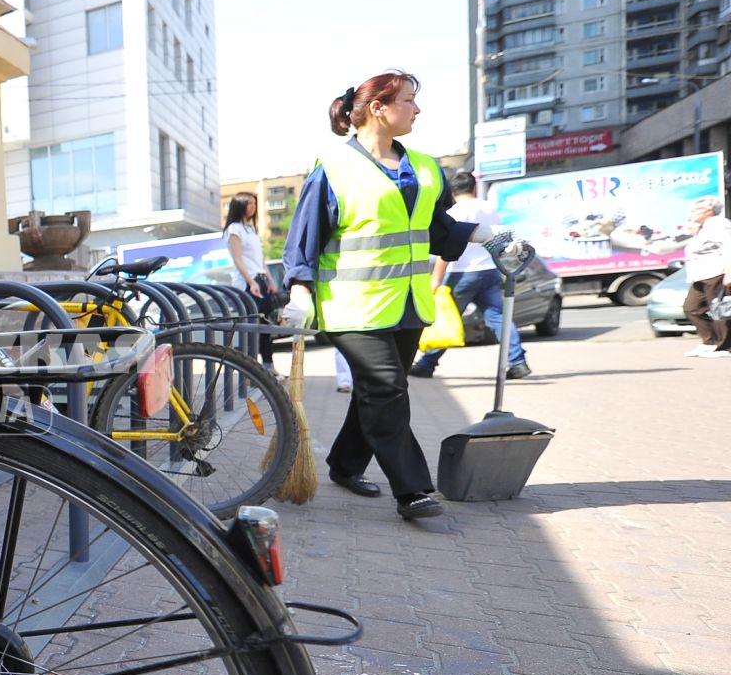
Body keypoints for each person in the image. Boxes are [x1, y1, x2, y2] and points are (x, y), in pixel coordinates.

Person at [280, 70, 525, 522]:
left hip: (409, 303)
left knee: (378, 393)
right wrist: (298, 290)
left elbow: (437, 231)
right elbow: (304, 237)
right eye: (409, 100)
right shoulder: (332, 168)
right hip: (351, 307)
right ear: (379, 108)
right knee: (388, 390)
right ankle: (411, 490)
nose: (417, 109)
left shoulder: (426, 167)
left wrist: (488, 235)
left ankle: (345, 465)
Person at [408, 171, 532, 380]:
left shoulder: (455, 210)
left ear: (452, 191)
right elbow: (498, 237)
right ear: (473, 188)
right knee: (500, 319)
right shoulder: (488, 207)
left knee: (447, 319)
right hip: (489, 270)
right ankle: (518, 362)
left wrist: (436, 278)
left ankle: (427, 364)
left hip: (461, 273)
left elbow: (448, 246)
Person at [223, 191, 278, 367]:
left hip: (259, 279)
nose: (254, 207)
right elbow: (238, 258)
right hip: (247, 282)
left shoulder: (251, 229)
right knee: (251, 328)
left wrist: (270, 279)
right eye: (250, 204)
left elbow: (259, 258)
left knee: (265, 326)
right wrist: (251, 282)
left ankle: (269, 366)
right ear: (240, 206)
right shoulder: (234, 229)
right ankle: (250, 368)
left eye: (255, 203)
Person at [680, 196, 731, 357]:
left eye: (695, 210)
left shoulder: (719, 224)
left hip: (716, 272)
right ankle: (709, 342)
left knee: (719, 311)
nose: (691, 213)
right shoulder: (702, 227)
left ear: (709, 211)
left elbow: (729, 247)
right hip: (700, 275)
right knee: (691, 308)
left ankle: (725, 347)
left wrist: (729, 273)